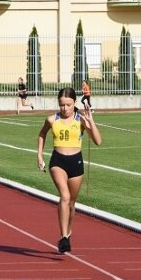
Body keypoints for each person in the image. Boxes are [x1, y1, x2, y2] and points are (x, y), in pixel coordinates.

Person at [36, 87, 102, 254]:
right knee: (64, 196)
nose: (64, 108)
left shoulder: (80, 120)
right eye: (61, 105)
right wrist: (39, 156)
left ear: (74, 104)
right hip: (58, 161)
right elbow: (42, 134)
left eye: (68, 105)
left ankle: (68, 231)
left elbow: (98, 141)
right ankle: (64, 237)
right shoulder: (52, 120)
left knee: (72, 203)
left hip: (76, 162)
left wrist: (90, 121)